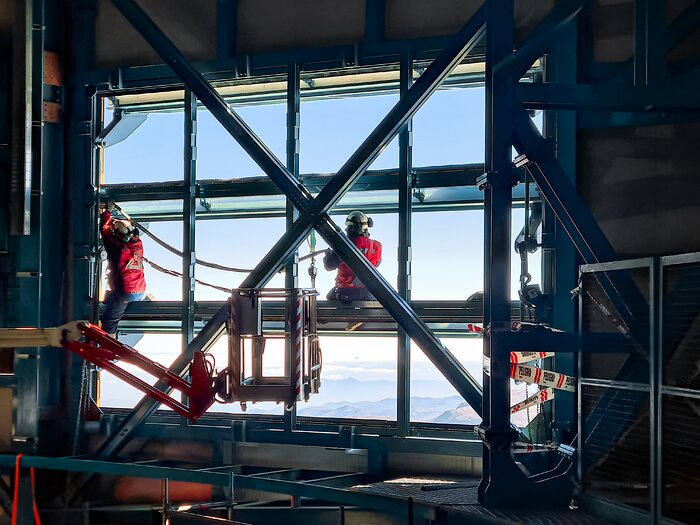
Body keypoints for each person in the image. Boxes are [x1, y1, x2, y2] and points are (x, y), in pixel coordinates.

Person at [99, 201, 146, 334]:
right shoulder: (137, 245)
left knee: (109, 321)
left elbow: (104, 230)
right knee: (112, 297)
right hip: (139, 291)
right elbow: (132, 234)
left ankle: (108, 348)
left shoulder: (117, 248)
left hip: (127, 292)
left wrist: (107, 212)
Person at [323, 211, 382, 303]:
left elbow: (329, 266)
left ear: (351, 228)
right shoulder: (376, 245)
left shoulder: (342, 245)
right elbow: (376, 264)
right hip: (367, 292)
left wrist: (328, 255)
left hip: (345, 292)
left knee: (329, 296)